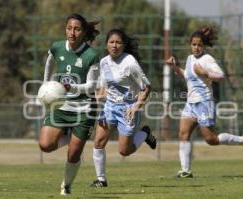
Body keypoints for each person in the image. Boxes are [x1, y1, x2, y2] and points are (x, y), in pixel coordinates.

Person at [166, 26, 243, 178]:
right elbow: (186, 75)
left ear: (204, 46)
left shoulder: (207, 59)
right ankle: (185, 171)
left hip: (204, 103)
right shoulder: (190, 59)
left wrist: (205, 73)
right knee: (183, 134)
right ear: (190, 45)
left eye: (199, 45)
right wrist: (175, 67)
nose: (196, 48)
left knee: (211, 139)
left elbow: (221, 76)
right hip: (191, 104)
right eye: (194, 44)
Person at [38, 13, 100, 195]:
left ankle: (66, 185)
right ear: (65, 29)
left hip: (84, 109)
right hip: (61, 106)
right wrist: (46, 85)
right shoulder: (57, 48)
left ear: (83, 32)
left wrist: (70, 86)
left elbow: (91, 86)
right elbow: (49, 63)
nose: (72, 32)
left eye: (77, 29)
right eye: (69, 28)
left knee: (73, 155)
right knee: (45, 145)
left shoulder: (91, 55)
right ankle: (69, 135)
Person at [90, 28, 157, 187]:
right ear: (106, 44)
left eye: (118, 42)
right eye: (111, 42)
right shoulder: (104, 62)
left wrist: (136, 107)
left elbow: (146, 87)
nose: (114, 45)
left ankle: (145, 133)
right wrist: (96, 100)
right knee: (98, 142)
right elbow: (104, 88)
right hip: (109, 107)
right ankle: (101, 179)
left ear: (123, 44)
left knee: (124, 151)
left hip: (128, 108)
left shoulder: (130, 62)